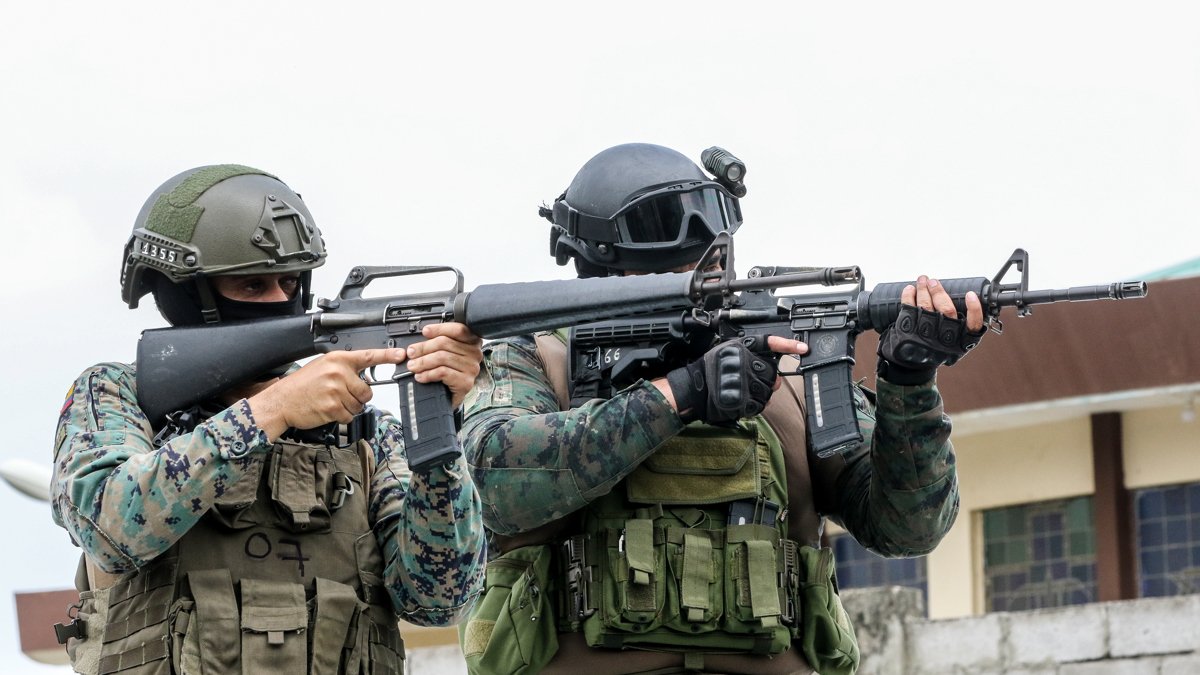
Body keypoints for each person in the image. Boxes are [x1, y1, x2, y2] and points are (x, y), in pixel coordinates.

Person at [456, 143, 984, 675]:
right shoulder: (536, 358)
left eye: (706, 265)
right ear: (597, 269)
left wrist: (910, 382)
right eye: (673, 272)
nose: (700, 283)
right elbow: (495, 487)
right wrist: (684, 394)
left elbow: (909, 529)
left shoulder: (789, 365)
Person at [51, 164, 486, 675]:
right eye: (253, 285)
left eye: (290, 282)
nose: (282, 302)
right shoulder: (117, 394)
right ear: (187, 295)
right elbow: (110, 528)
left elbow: (439, 602)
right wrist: (273, 411)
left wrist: (441, 429)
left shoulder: (366, 433)